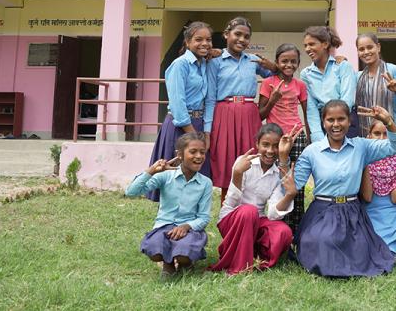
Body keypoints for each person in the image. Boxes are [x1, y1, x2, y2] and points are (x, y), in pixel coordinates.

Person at [291, 100, 396, 277]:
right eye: (330, 120)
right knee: (321, 241)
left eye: (341, 119)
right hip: (322, 211)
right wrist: (283, 160)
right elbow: (294, 185)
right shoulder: (312, 152)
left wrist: (389, 121)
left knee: (359, 250)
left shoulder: (361, 146)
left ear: (350, 121)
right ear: (323, 122)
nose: (336, 124)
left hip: (352, 213)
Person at [208, 124, 298, 274]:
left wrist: (289, 195)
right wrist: (237, 173)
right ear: (257, 144)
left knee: (284, 231)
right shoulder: (243, 163)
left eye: (275, 146)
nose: (270, 151)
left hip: (257, 222)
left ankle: (258, 260)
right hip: (232, 220)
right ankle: (240, 267)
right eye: (265, 145)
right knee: (249, 211)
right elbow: (231, 202)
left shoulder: (277, 173)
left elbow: (272, 215)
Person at [205, 17, 276, 198]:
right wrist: (208, 129)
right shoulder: (216, 60)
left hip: (249, 113)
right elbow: (211, 97)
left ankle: (252, 210)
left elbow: (280, 73)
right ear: (226, 35)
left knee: (251, 159)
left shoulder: (253, 60)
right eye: (237, 34)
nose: (242, 40)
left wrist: (273, 66)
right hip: (224, 114)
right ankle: (227, 213)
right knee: (227, 163)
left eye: (246, 36)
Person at [125, 131, 212, 278]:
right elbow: (131, 192)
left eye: (202, 152)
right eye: (193, 152)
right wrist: (151, 171)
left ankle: (186, 262)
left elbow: (203, 218)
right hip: (164, 227)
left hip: (190, 230)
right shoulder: (165, 176)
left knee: (185, 251)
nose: (199, 156)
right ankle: (168, 263)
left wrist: (186, 226)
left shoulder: (205, 183)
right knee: (155, 249)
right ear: (180, 154)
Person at [147, 21, 213, 201]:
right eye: (198, 39)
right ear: (187, 42)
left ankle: (190, 223)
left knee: (194, 178)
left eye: (208, 39)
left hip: (198, 124)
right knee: (174, 178)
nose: (205, 44)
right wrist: (192, 135)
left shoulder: (204, 64)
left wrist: (205, 133)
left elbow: (208, 100)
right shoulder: (180, 65)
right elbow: (177, 103)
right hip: (180, 127)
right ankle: (168, 223)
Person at [258, 43, 308, 232]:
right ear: (277, 62)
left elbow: (307, 112)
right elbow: (260, 114)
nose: (289, 65)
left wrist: (309, 139)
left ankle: (296, 229)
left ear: (298, 64)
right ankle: (278, 227)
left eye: (293, 61)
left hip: (297, 138)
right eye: (284, 61)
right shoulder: (268, 83)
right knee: (277, 182)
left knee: (298, 183)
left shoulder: (300, 85)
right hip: (276, 139)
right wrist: (273, 99)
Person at [360, 120, 396, 260]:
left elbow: (395, 198)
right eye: (376, 133)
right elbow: (367, 197)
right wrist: (366, 159)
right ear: (369, 137)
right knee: (370, 253)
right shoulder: (362, 159)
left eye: (386, 134)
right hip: (371, 216)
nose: (381, 139)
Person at [300, 26, 357, 143]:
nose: (307, 49)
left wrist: (338, 123)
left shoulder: (343, 66)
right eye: (305, 45)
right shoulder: (306, 74)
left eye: (312, 44)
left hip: (346, 121)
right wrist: (317, 136)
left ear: (325, 44)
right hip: (323, 124)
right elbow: (311, 108)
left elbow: (348, 99)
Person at [355, 33, 396, 137]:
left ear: (378, 47)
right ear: (358, 52)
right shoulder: (357, 77)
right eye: (361, 49)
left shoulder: (394, 71)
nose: (366, 52)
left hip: (394, 131)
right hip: (367, 135)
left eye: (370, 47)